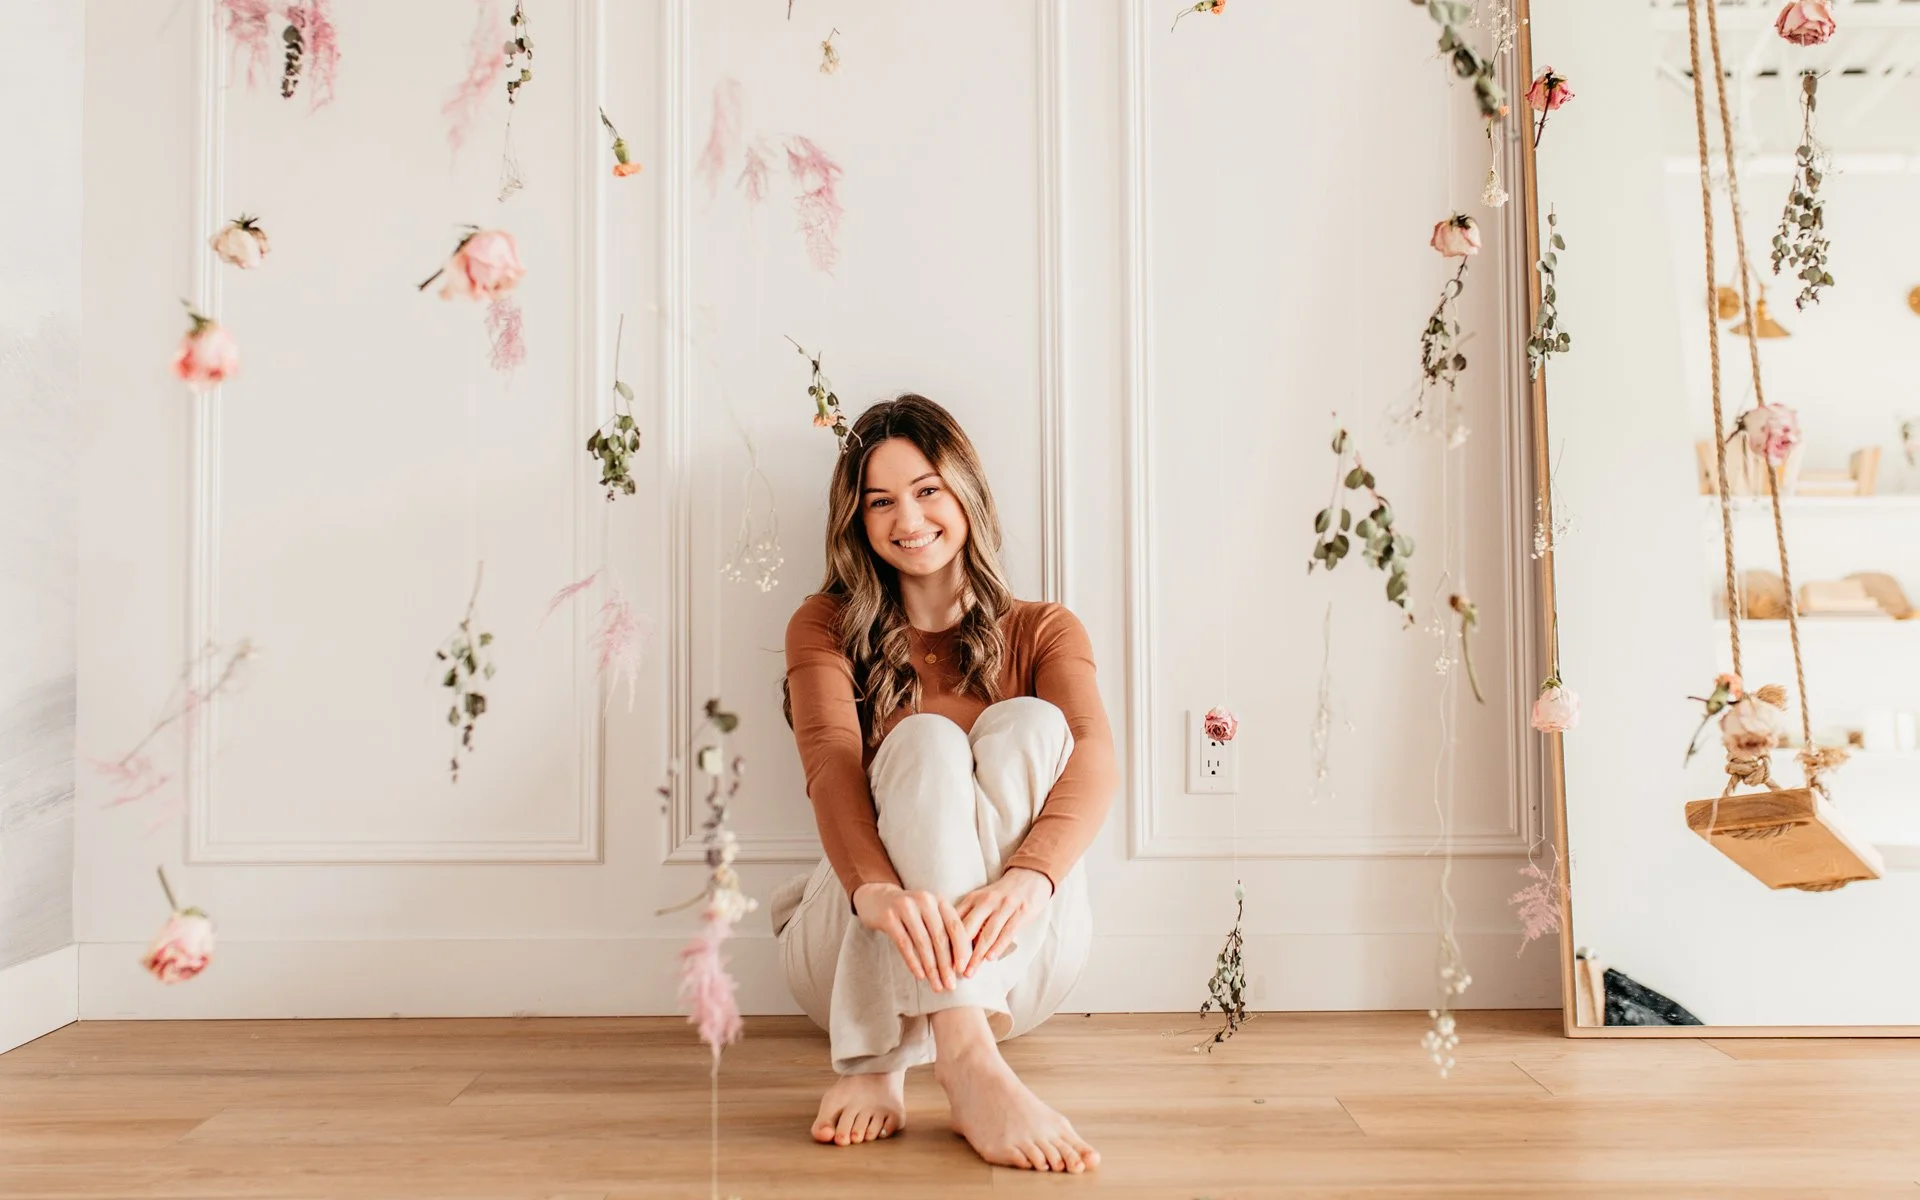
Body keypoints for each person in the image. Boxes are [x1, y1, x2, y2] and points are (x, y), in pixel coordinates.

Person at [771, 393, 1115, 1174]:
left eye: (927, 489)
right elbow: (830, 765)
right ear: (856, 520)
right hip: (854, 950)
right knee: (923, 738)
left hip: (1017, 962)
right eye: (879, 501)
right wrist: (877, 895)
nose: (908, 518)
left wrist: (1030, 878)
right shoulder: (824, 625)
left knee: (1035, 726)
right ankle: (962, 1059)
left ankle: (908, 1050)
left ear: (965, 491)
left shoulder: (1044, 629)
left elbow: (1096, 757)